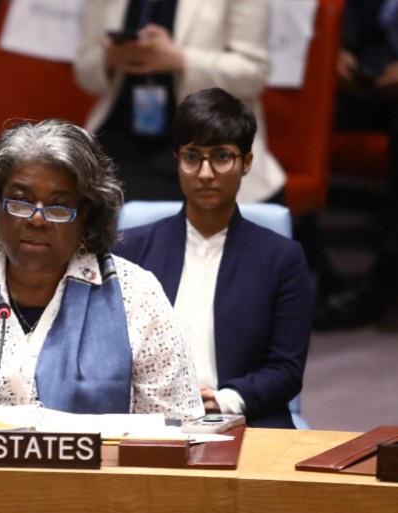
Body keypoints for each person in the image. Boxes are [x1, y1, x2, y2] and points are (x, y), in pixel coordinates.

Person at [0, 118, 204, 419]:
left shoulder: (137, 297)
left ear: (86, 214)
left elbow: (178, 425)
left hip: (94, 483)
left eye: (59, 205)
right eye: (20, 200)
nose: (36, 218)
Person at [114, 88, 313, 428]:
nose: (205, 173)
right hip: (151, 419)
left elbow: (285, 370)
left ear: (246, 162)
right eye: (193, 157)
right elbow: (111, 350)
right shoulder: (130, 250)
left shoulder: (283, 259)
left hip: (247, 417)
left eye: (222, 156)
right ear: (177, 160)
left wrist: (222, 400)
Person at [73, 0, 284, 204]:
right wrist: (109, 59)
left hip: (201, 140)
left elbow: (252, 74)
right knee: (69, 192)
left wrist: (180, 60)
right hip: (119, 134)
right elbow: (85, 74)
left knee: (128, 207)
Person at [314, 0, 398, 329]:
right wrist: (337, 50)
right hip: (370, 79)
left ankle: (385, 280)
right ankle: (313, 265)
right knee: (289, 117)